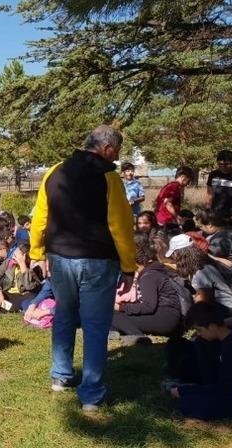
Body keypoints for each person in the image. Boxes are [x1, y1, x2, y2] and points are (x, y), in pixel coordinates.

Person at [30, 125, 136, 412]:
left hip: (59, 258)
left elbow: (40, 217)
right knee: (95, 325)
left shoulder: (55, 171)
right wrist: (129, 267)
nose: (117, 157)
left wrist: (37, 252)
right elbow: (121, 226)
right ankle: (91, 395)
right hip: (98, 260)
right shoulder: (109, 177)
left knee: (64, 314)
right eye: (117, 151)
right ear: (107, 148)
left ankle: (60, 376)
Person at [167, 302, 232, 420]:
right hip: (221, 389)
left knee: (189, 402)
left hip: (229, 395)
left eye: (199, 330)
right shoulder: (221, 342)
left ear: (212, 326)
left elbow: (225, 387)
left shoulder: (231, 347)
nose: (198, 334)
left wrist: (187, 390)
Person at [111, 233, 182, 344]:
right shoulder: (152, 271)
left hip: (165, 319)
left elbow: (148, 306)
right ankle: (117, 331)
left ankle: (137, 336)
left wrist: (121, 307)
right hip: (168, 316)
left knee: (114, 317)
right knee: (116, 316)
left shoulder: (148, 276)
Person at [207, 149, 232, 229]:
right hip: (216, 214)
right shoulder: (213, 175)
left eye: (227, 164)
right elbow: (209, 194)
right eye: (220, 164)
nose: (223, 167)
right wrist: (207, 211)